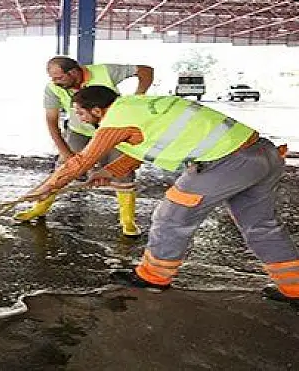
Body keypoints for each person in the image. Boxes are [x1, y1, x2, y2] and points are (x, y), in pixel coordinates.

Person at [25, 85, 298, 308]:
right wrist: (108, 172)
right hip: (264, 154)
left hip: (225, 161)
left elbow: (80, 162)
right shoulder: (139, 107)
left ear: (97, 110)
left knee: (171, 216)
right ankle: (294, 288)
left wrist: (47, 186)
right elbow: (138, 149)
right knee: (261, 226)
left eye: (80, 113)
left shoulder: (115, 120)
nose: (79, 119)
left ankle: (154, 277)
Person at [15, 56, 154, 239]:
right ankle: (39, 208)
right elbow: (51, 121)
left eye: (59, 78)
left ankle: (127, 220)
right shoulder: (52, 88)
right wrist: (65, 153)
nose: (54, 82)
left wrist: (138, 97)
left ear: (73, 73)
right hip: (79, 132)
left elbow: (146, 70)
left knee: (123, 170)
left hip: (113, 129)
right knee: (64, 168)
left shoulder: (105, 71)